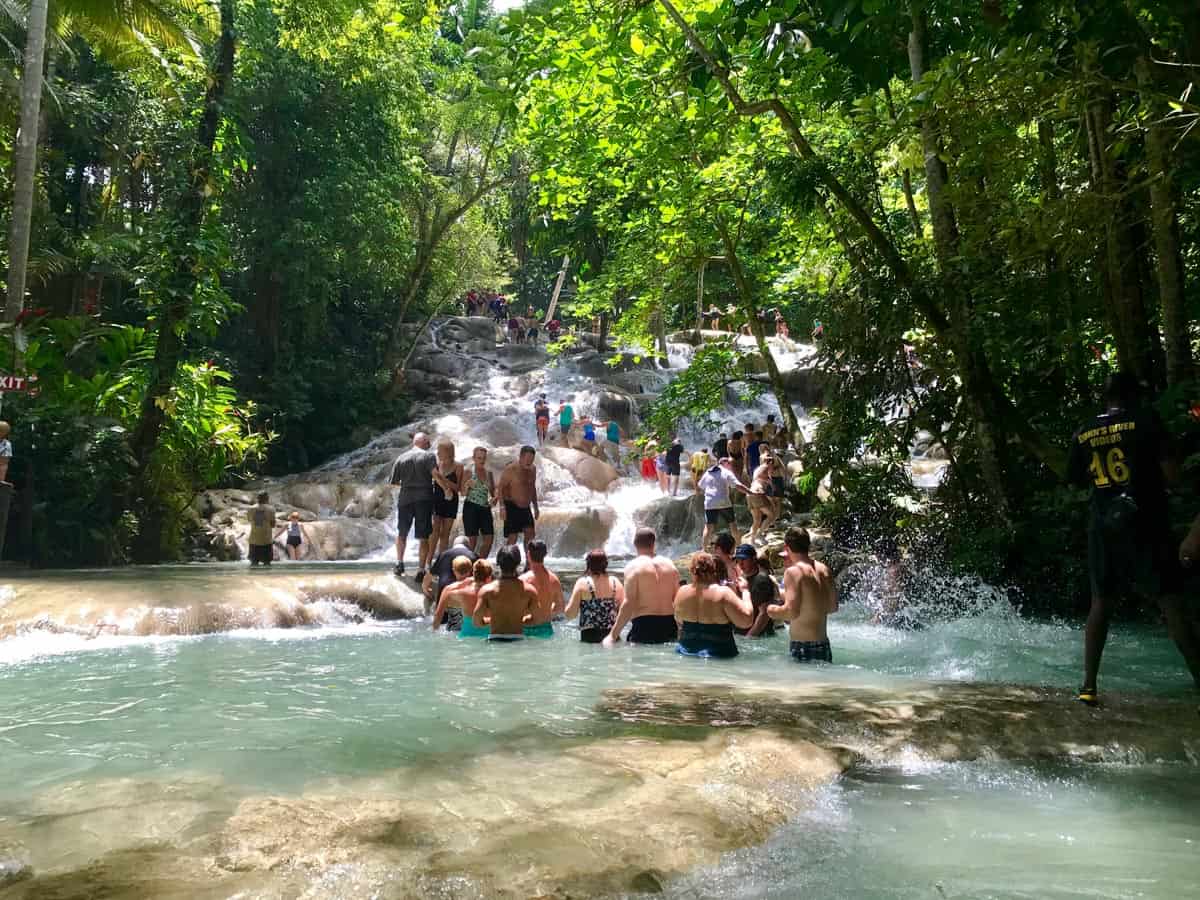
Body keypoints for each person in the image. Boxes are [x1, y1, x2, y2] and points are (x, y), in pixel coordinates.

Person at [1068, 373, 1200, 704]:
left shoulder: (1085, 430)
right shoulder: (1146, 421)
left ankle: (1088, 686)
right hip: (1146, 524)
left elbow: (1073, 477)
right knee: (1170, 601)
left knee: (1101, 603)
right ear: (1133, 397)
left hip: (1102, 527)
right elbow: (1172, 477)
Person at [768, 528, 838, 662]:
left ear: (786, 547)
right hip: (823, 644)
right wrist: (780, 592)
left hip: (803, 646)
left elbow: (791, 612)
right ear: (808, 544)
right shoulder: (824, 569)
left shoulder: (793, 572)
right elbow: (832, 607)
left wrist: (771, 610)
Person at [605, 527, 680, 645]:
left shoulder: (633, 566)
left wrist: (612, 636)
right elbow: (678, 601)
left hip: (644, 627)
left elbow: (629, 603)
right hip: (670, 626)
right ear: (654, 543)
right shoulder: (670, 565)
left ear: (634, 544)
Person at [674, 552, 753, 658]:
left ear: (692, 571)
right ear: (713, 569)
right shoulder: (723, 593)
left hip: (686, 653)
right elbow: (746, 621)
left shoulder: (682, 592)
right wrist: (745, 591)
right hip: (718, 655)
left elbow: (679, 620)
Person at [390, 432, 438, 579]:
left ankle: (399, 563)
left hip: (405, 499)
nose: (429, 444)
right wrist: (446, 488)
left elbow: (393, 482)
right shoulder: (428, 456)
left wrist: (408, 485)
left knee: (402, 533)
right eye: (428, 442)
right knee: (423, 536)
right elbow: (436, 475)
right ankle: (421, 570)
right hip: (424, 499)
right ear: (422, 441)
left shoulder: (401, 457)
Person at [473, 545, 540, 642]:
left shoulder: (487, 591)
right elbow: (537, 619)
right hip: (518, 641)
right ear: (518, 563)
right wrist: (520, 620)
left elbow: (476, 621)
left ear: (498, 563)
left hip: (494, 641)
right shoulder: (529, 590)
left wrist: (491, 620)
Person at [565, 548, 624, 643]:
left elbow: (571, 614)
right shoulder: (615, 582)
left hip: (590, 638)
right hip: (612, 637)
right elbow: (624, 611)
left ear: (588, 565)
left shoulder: (582, 583)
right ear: (606, 564)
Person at [498, 445, 540, 558]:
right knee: (513, 536)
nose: (529, 462)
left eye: (531, 460)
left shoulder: (533, 469)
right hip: (511, 505)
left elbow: (532, 487)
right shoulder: (511, 469)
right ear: (520, 457)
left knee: (530, 534)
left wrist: (535, 506)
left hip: (525, 507)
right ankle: (505, 562)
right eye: (527, 459)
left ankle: (529, 563)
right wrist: (502, 507)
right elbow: (500, 487)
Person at [699, 458, 749, 549]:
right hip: (724, 502)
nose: (730, 465)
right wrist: (750, 492)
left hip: (710, 502)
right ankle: (739, 546)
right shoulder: (726, 472)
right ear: (724, 463)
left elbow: (700, 486)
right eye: (729, 463)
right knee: (732, 524)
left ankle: (704, 549)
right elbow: (738, 486)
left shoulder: (708, 472)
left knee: (708, 527)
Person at [424, 535, 478, 618]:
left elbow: (428, 577)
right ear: (468, 546)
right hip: (466, 605)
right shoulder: (474, 556)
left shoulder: (443, 555)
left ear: (454, 545)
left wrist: (426, 589)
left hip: (443, 604)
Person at [732, 544, 778, 637]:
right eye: (738, 560)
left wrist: (749, 637)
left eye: (744, 559)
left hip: (758, 638)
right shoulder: (743, 578)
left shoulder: (761, 579)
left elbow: (764, 614)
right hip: (744, 635)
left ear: (753, 559)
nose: (740, 563)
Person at [520, 539, 562, 638]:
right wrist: (546, 613)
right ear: (545, 554)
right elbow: (560, 607)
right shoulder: (554, 579)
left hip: (527, 629)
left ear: (528, 554)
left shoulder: (523, 580)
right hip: (546, 629)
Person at [431, 440, 465, 558]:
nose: (437, 453)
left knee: (445, 533)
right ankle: (428, 561)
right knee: (434, 532)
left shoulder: (459, 466)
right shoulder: (436, 465)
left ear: (447, 452)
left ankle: (440, 560)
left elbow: (458, 488)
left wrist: (443, 479)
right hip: (437, 500)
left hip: (451, 502)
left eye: (439, 451)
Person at [461, 446, 496, 560]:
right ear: (474, 458)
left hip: (485, 508)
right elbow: (463, 493)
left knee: (489, 539)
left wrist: (495, 499)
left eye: (484, 458)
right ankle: (468, 566)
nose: (482, 460)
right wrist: (467, 486)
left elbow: (493, 493)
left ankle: (480, 564)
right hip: (471, 507)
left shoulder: (489, 473)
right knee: (472, 541)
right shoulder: (468, 471)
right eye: (479, 458)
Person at [431, 556, 476, 632]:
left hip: (453, 631)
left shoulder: (449, 590)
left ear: (454, 570)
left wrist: (433, 631)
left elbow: (438, 615)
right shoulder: (477, 587)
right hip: (473, 630)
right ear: (470, 570)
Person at [458, 559, 495, 638]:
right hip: (488, 637)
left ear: (473, 575)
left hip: (465, 638)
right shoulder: (496, 594)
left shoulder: (462, 593)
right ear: (489, 577)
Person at [746, 454, 777, 544]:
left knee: (757, 520)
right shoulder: (765, 467)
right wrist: (769, 481)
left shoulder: (758, 468)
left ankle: (752, 540)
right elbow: (760, 477)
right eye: (772, 465)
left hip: (750, 494)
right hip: (757, 493)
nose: (773, 468)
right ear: (769, 463)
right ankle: (759, 534)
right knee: (772, 515)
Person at [247, 492, 276, 567]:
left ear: (258, 498)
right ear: (267, 499)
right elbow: (273, 525)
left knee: (253, 564)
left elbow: (249, 520)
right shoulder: (271, 509)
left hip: (254, 540)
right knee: (267, 564)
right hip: (266, 540)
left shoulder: (250, 509)